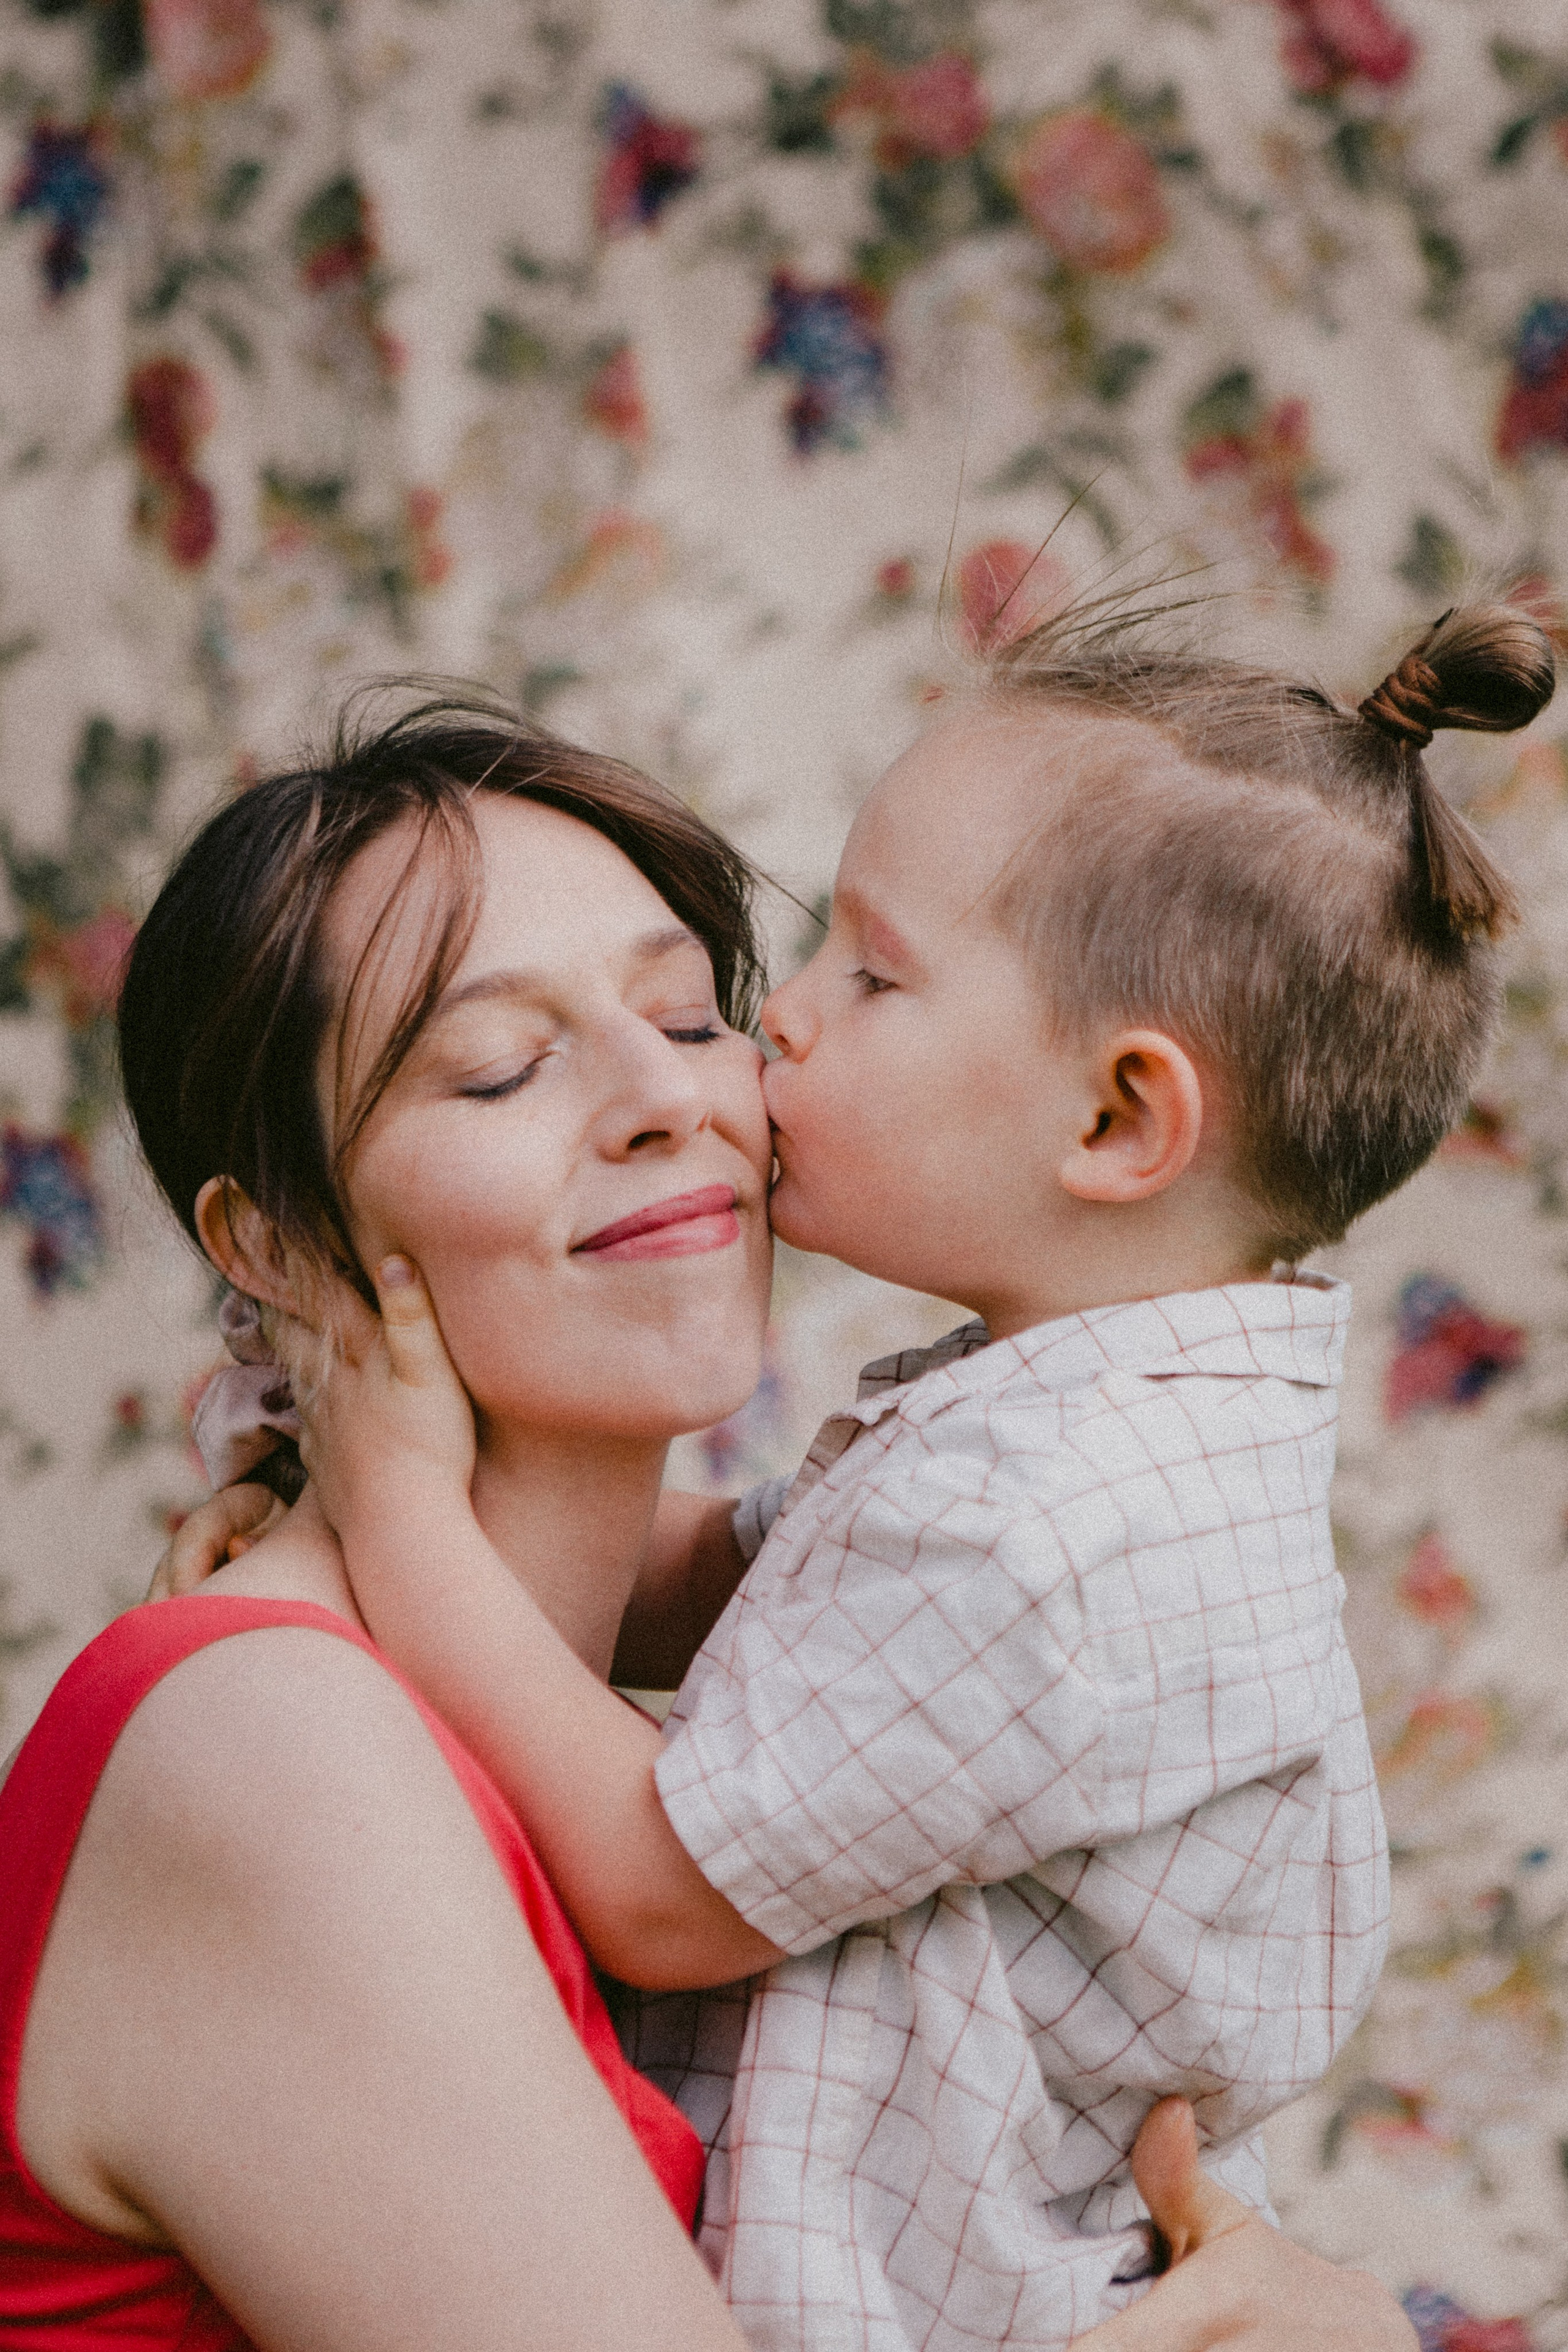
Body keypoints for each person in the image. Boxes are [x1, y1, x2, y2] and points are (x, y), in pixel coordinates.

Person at [169, 605, 1552, 2347]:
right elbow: (714, 1578)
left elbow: (662, 1887)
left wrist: (394, 1509)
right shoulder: (1059, 1436)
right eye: (506, 1065)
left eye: (859, 982)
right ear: (269, 1240)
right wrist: (308, 1457)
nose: (764, 1051)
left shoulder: (1045, 1528)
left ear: (1120, 1124)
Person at [1, 704, 780, 2351]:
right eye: (502, 1065)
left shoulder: (596, 1699)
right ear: (277, 1248)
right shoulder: (273, 1742)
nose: (666, 1099)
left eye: (694, 1019)